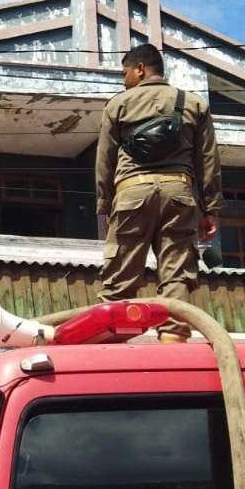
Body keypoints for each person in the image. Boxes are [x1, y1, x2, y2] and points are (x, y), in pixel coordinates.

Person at [94, 44, 222, 343]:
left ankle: (108, 347)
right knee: (176, 275)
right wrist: (210, 208)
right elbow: (208, 160)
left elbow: (105, 160)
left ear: (140, 69)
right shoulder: (193, 104)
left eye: (125, 72)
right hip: (179, 193)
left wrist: (105, 205)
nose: (123, 80)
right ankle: (173, 345)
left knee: (119, 278)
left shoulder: (118, 105)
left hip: (131, 192)